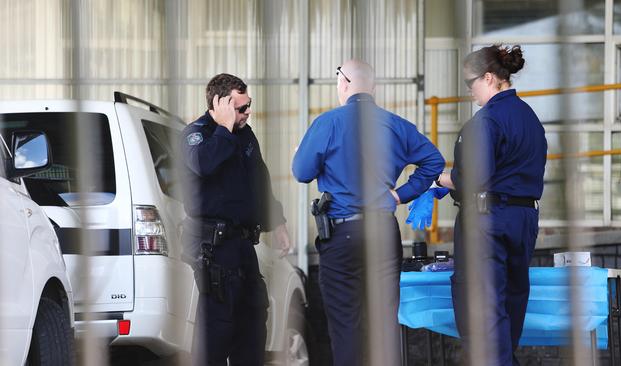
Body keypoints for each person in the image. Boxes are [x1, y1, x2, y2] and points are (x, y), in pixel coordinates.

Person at [292, 59, 445, 365]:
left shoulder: (328, 123)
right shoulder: (396, 124)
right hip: (383, 231)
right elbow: (434, 161)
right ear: (372, 87)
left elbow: (301, 172)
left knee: (345, 324)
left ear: (343, 83)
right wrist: (400, 195)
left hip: (342, 235)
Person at [430, 45, 547, 365]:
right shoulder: (530, 119)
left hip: (487, 221)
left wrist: (439, 181)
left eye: (471, 84)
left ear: (490, 77)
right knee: (509, 306)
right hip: (524, 219)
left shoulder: (488, 121)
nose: (469, 93)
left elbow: (471, 177)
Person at [179, 73, 292, 366]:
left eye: (248, 105)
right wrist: (225, 128)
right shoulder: (197, 134)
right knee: (216, 331)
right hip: (213, 249)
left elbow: (260, 181)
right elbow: (203, 164)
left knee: (254, 323)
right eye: (240, 108)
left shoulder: (246, 135)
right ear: (220, 103)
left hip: (243, 245)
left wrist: (277, 221)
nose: (247, 112)